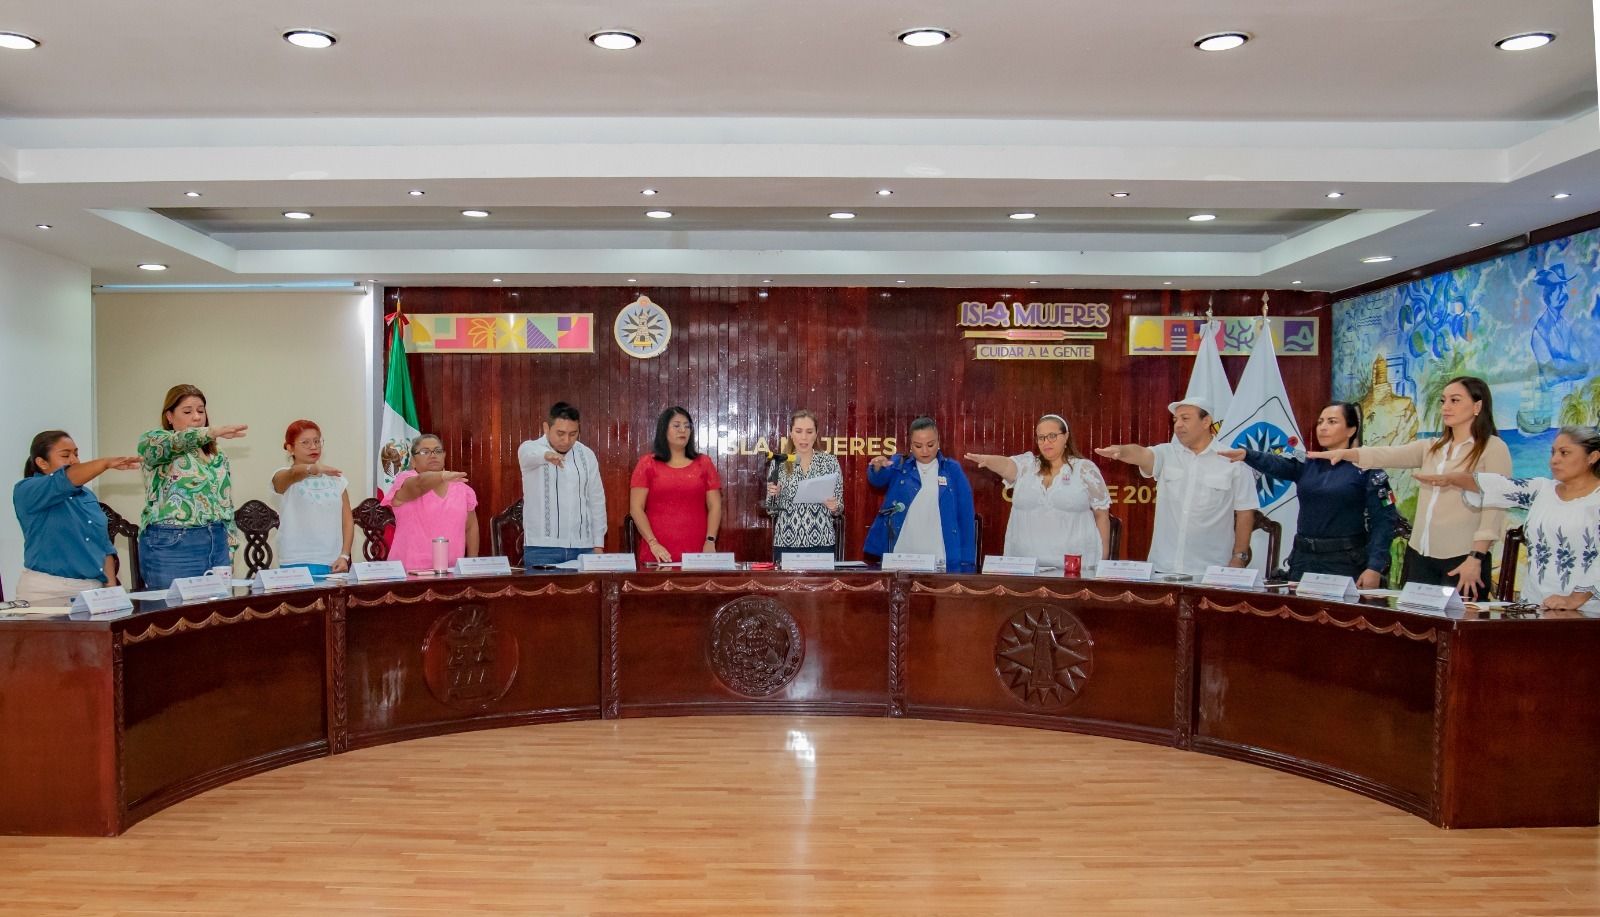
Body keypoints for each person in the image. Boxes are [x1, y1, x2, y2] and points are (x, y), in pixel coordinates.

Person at [1311, 376, 1511, 600]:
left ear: (1478, 406)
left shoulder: (1493, 448)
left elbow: (1495, 506)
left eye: (1455, 400)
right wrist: (1345, 454)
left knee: (1460, 629)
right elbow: (1385, 454)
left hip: (1463, 559)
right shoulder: (1433, 447)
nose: (1446, 407)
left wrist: (1476, 558)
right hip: (1420, 555)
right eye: (1443, 401)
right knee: (1418, 628)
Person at [1414, 425, 1600, 613]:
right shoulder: (1541, 490)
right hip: (1534, 606)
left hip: (1586, 613)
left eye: (1564, 453)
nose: (1555, 460)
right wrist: (1453, 478)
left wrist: (1574, 599)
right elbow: (1500, 486)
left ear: (1592, 457)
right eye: (1553, 453)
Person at [1219, 402, 1399, 587]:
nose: (1323, 427)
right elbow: (1277, 463)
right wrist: (1247, 454)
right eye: (1320, 422)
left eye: (1332, 421)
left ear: (1351, 430)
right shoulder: (1309, 463)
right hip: (1303, 558)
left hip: (1345, 560)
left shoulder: (1368, 469)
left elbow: (1384, 520)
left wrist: (1374, 567)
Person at [1095, 397, 1258, 576]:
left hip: (1211, 571)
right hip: (1162, 568)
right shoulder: (1167, 453)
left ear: (1206, 421)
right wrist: (1121, 451)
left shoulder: (1233, 462)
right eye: (1175, 420)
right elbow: (1141, 453)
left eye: (1185, 419)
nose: (1178, 425)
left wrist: (1239, 557)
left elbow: (1245, 512)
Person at [965, 413, 1111, 570]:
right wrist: (988, 460)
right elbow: (1007, 464)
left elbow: (1101, 515)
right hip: (1025, 567)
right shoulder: (1027, 465)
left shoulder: (1084, 469)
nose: (1046, 442)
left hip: (1074, 568)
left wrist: (1102, 559)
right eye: (1041, 438)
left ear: (1066, 436)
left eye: (1052, 436)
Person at [137, 384, 247, 590]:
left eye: (201, 410)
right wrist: (210, 432)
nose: (196, 417)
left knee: (215, 617)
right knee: (172, 617)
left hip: (216, 542)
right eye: (187, 411)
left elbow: (226, 503)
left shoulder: (218, 454)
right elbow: (169, 443)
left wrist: (229, 550)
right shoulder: (156, 444)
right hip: (173, 543)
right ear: (169, 416)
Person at [12, 431, 140, 604]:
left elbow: (103, 545)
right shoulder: (27, 490)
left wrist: (112, 590)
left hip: (91, 590)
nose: (74, 460)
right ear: (42, 462)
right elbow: (63, 480)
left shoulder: (86, 495)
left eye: (76, 454)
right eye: (65, 455)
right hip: (47, 592)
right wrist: (105, 463)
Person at [863, 416, 976, 570]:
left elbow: (965, 516)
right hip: (903, 551)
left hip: (939, 554)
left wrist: (967, 561)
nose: (924, 451)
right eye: (918, 445)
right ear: (910, 445)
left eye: (930, 445)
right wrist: (877, 468)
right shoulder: (899, 464)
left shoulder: (952, 470)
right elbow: (878, 480)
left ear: (938, 442)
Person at [517, 401, 607, 568]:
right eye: (560, 433)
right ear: (546, 428)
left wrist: (598, 544)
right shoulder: (530, 448)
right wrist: (548, 456)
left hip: (584, 548)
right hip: (542, 549)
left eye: (573, 434)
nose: (566, 440)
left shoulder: (586, 455)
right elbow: (530, 454)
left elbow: (596, 500)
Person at [630, 407, 722, 564]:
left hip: (698, 551)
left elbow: (715, 506)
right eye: (677, 425)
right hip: (658, 552)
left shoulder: (703, 463)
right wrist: (653, 543)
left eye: (687, 426)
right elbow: (636, 509)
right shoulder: (647, 463)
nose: (683, 430)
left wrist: (710, 540)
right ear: (663, 430)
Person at [382, 434, 478, 572]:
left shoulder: (462, 488)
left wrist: (471, 566)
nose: (433, 455)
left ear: (444, 456)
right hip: (407, 574)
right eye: (424, 452)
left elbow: (471, 526)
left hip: (451, 573)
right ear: (413, 461)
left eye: (438, 451)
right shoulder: (405, 481)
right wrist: (443, 476)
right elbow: (421, 483)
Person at [271, 420, 353, 576]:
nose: (313, 447)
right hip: (296, 561)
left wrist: (344, 555)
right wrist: (313, 469)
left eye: (317, 441)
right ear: (290, 448)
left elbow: (347, 521)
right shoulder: (283, 476)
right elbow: (292, 474)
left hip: (332, 562)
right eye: (305, 443)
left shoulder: (336, 479)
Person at [762, 409, 843, 562]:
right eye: (798, 431)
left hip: (822, 541)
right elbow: (771, 511)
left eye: (809, 431)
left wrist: (834, 507)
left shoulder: (830, 462)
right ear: (791, 433)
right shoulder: (779, 462)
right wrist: (774, 495)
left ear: (816, 433)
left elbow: (839, 508)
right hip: (787, 541)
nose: (804, 437)